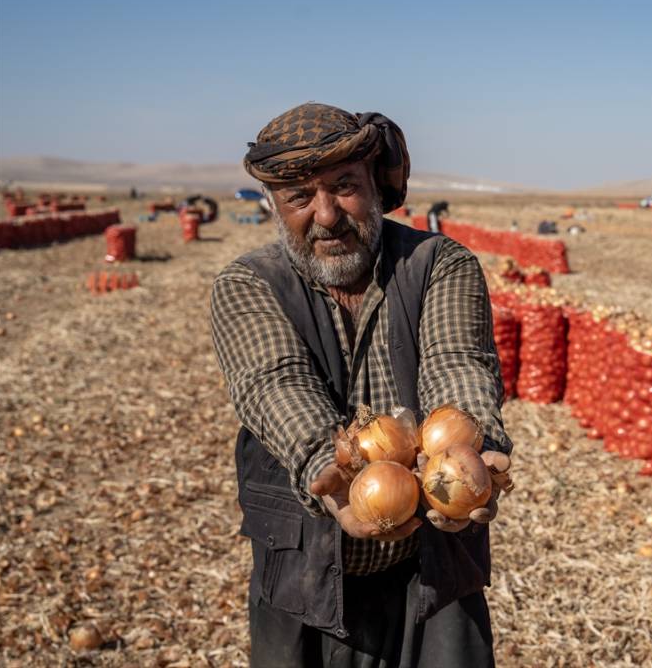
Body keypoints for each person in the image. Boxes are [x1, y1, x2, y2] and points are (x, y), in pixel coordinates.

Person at [210, 103, 514, 668]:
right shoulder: (249, 284)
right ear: (275, 206)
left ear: (377, 184)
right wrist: (330, 465)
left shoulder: (437, 263)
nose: (326, 215)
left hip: (432, 572)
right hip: (304, 577)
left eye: (343, 186)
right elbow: (274, 383)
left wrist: (465, 448)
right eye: (300, 197)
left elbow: (460, 364)